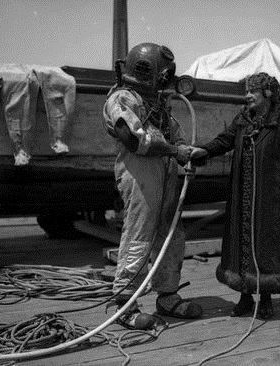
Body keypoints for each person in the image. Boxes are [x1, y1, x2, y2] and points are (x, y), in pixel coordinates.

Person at [103, 42, 203, 330]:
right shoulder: (122, 99)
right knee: (139, 239)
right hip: (140, 178)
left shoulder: (159, 104)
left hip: (167, 176)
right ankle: (124, 305)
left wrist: (187, 152)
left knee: (171, 236)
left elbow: (174, 136)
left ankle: (167, 296)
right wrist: (175, 151)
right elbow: (134, 139)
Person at [190, 72, 280, 319]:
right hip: (242, 198)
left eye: (252, 91)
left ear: (267, 94)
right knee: (240, 246)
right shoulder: (242, 121)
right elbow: (224, 141)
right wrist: (204, 151)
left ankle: (265, 299)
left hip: (270, 201)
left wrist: (276, 179)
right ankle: (244, 297)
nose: (247, 96)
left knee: (267, 246)